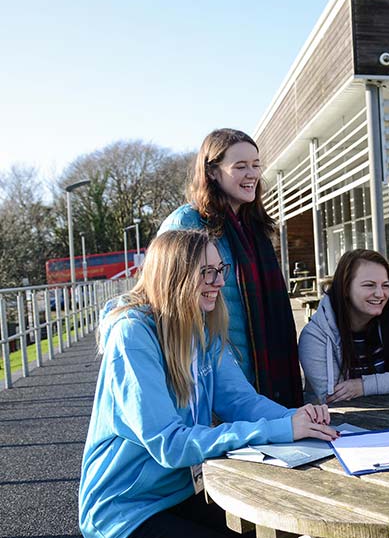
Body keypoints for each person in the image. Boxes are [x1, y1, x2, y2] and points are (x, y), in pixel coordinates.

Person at [79, 230, 338, 538]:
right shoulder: (133, 336)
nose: (219, 281)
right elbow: (170, 444)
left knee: (284, 525)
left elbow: (241, 402)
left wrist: (295, 418)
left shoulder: (202, 325)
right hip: (124, 510)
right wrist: (280, 429)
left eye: (220, 270)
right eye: (206, 272)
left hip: (177, 494)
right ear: (174, 276)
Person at [159, 128, 301, 407]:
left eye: (256, 165)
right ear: (212, 171)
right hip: (211, 380)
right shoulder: (186, 225)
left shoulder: (254, 228)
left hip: (262, 376)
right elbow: (167, 305)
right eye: (240, 166)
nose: (252, 174)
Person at [299, 249, 389, 404]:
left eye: (385, 285)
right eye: (369, 285)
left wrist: (363, 386)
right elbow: (334, 398)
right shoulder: (315, 336)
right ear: (345, 288)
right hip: (339, 424)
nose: (380, 294)